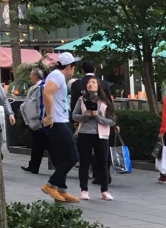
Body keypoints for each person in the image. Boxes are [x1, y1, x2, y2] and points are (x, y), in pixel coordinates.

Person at [39, 52, 80, 202]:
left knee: (62, 157)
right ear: (69, 67)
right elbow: (47, 93)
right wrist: (49, 117)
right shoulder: (57, 76)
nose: (73, 71)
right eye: (73, 68)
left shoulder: (56, 75)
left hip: (60, 120)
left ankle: (61, 189)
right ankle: (51, 185)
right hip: (58, 122)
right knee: (72, 156)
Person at [72, 77, 115, 200]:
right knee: (84, 163)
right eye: (88, 83)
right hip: (85, 134)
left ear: (99, 85)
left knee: (102, 163)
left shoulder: (105, 101)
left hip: (101, 135)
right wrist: (85, 116)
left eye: (93, 82)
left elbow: (112, 121)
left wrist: (98, 117)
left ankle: (105, 190)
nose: (90, 84)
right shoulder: (82, 99)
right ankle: (84, 190)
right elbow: (74, 115)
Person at [21, 69, 47, 175]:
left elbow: (36, 104)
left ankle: (34, 166)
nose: (30, 78)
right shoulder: (40, 86)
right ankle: (33, 165)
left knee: (38, 145)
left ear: (35, 76)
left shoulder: (39, 88)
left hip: (38, 120)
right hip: (39, 119)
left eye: (31, 76)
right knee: (37, 145)